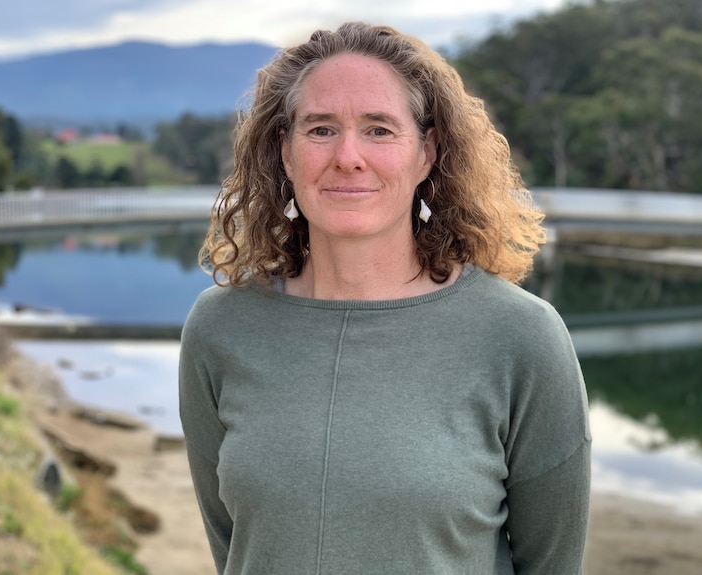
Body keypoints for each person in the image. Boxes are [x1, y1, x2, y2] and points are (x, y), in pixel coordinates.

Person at [179, 21, 590, 575]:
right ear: (285, 152)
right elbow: (235, 546)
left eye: (379, 130)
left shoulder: (522, 336)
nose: (348, 156)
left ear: (427, 154)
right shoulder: (220, 329)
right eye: (321, 129)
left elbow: (551, 565)